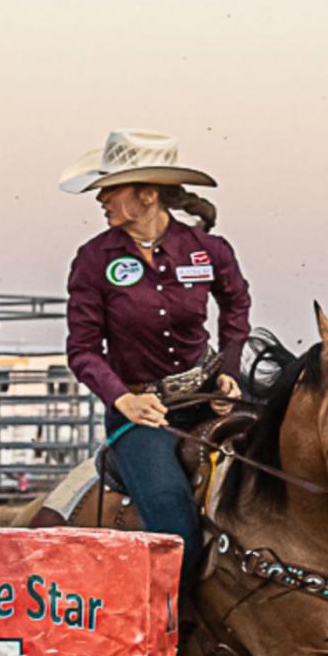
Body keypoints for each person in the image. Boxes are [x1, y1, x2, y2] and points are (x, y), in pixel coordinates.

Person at [60, 128, 251, 589]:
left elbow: (236, 305)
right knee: (174, 523)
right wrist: (122, 399)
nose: (100, 198)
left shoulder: (209, 250)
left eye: (110, 187)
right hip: (141, 413)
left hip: (206, 394)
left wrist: (228, 372)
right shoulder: (93, 259)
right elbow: (83, 349)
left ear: (147, 194)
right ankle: (173, 628)